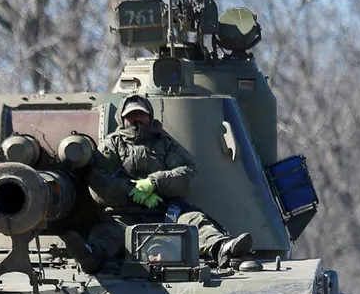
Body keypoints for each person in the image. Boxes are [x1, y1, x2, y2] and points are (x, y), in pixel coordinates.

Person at [60, 94, 253, 273]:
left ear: (149, 117)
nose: (137, 119)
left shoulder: (165, 143)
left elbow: (187, 170)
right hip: (123, 216)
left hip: (164, 212)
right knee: (109, 234)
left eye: (141, 114)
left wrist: (154, 183)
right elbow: (98, 181)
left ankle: (222, 247)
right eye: (131, 115)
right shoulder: (112, 145)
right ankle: (90, 256)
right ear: (122, 119)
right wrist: (134, 192)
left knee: (194, 221)